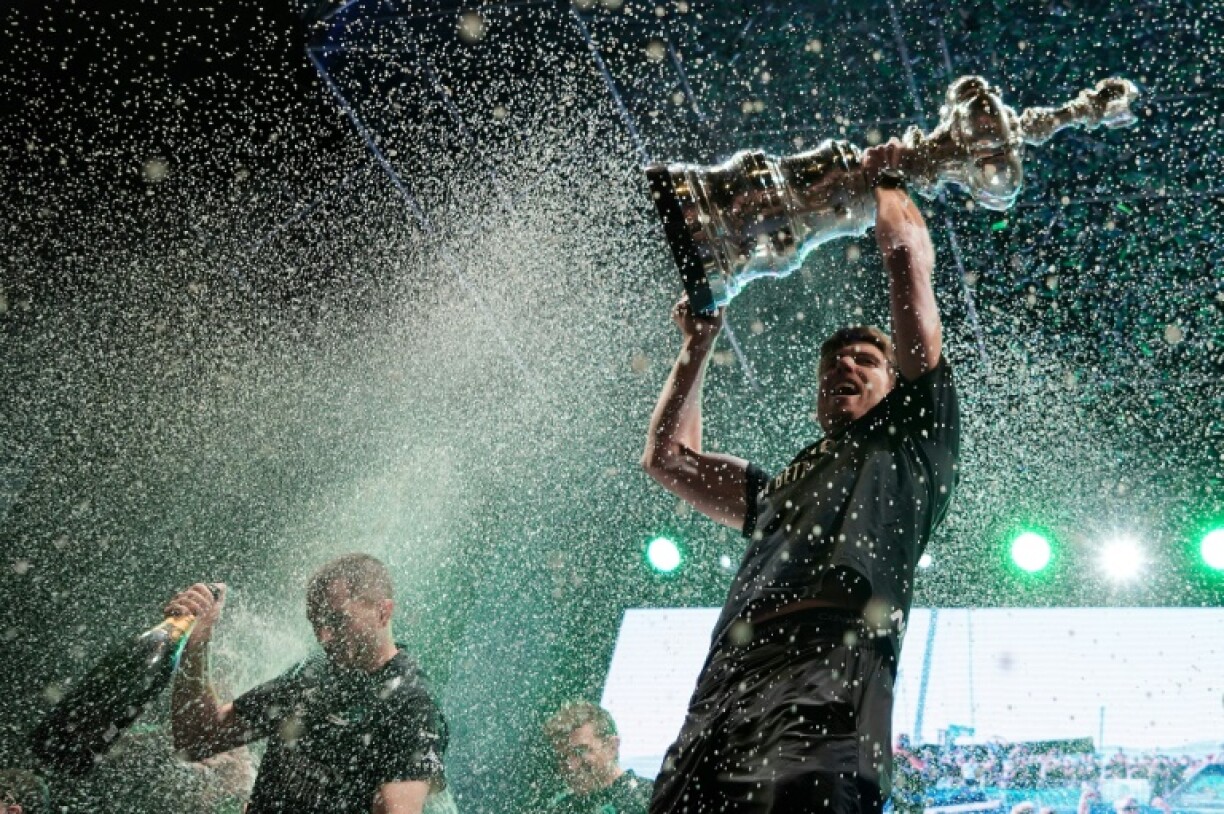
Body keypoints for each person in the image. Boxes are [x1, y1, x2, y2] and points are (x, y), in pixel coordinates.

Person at [641, 140, 960, 814]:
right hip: (720, 701)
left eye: (865, 360)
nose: (844, 365)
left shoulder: (913, 442)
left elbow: (907, 261)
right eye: (833, 362)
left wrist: (887, 181)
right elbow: (668, 457)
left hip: (829, 696)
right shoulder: (778, 487)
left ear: (898, 383)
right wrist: (699, 341)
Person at [167, 553, 448, 814]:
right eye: (316, 622)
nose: (324, 637)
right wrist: (198, 641)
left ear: (383, 612)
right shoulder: (313, 672)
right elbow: (197, 739)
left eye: (337, 620)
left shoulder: (410, 702)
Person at [543, 702, 652, 814]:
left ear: (612, 747)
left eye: (580, 751)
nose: (571, 766)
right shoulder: (560, 809)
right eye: (563, 757)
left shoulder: (652, 798)